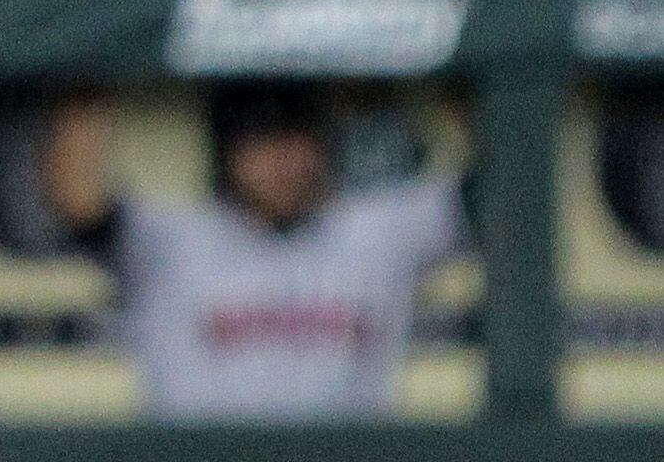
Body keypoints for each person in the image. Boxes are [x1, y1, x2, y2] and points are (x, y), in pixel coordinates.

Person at [38, 83, 469, 419]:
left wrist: (469, 67)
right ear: (227, 154)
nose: (282, 161)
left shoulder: (380, 229)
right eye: (261, 144)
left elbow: (502, 185)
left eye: (296, 140)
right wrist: (92, 80)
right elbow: (80, 201)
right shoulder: (174, 236)